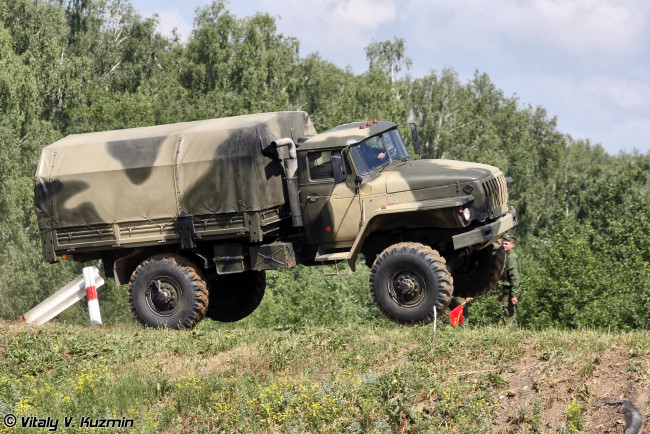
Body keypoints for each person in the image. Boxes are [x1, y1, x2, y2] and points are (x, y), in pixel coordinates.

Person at [497, 235, 522, 327]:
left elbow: (514, 277)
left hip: (512, 290)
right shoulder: (508, 256)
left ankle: (512, 334)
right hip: (509, 290)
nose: (503, 245)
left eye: (506, 244)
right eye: (503, 243)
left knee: (509, 314)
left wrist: (514, 295)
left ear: (512, 245)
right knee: (507, 313)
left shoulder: (511, 257)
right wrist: (504, 294)